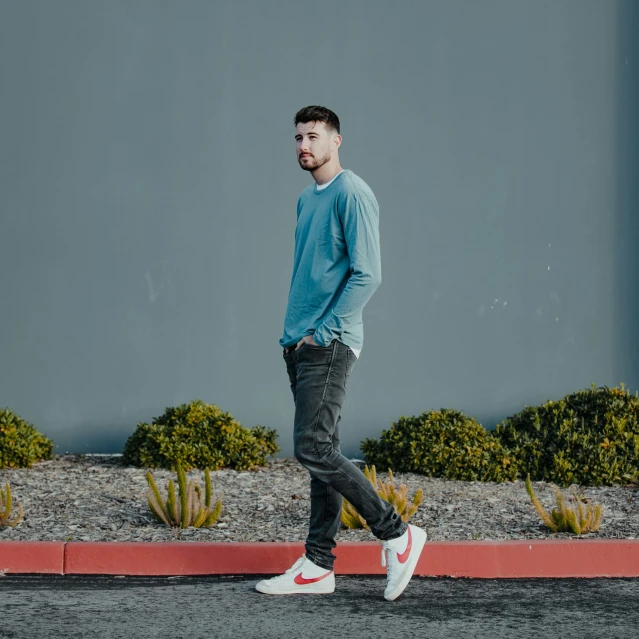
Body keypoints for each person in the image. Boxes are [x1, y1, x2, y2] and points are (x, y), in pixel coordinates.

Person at [255, 106, 427, 601]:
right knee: (321, 451)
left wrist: (323, 330)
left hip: (329, 342)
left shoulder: (352, 192)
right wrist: (294, 335)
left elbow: (367, 273)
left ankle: (397, 533)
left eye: (313, 136)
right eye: (297, 138)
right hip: (301, 342)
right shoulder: (307, 200)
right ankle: (317, 565)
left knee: (313, 447)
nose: (303, 145)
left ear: (337, 141)